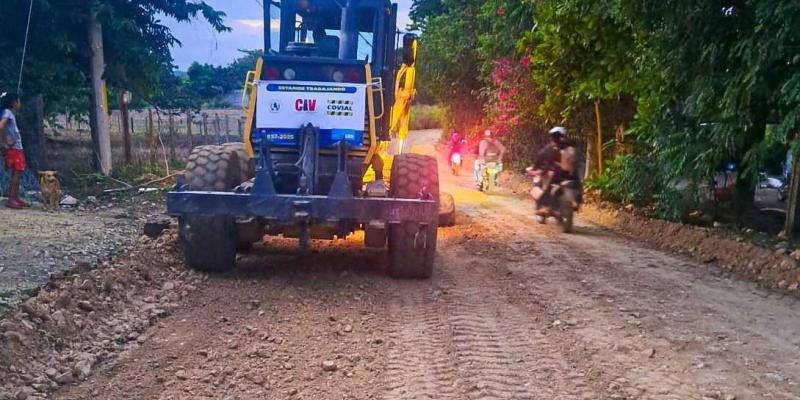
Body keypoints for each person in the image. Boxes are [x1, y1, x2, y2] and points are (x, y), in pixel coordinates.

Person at [529, 126, 568, 214]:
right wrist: (538, 170)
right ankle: (544, 206)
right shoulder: (550, 149)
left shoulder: (565, 148)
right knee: (550, 186)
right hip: (553, 173)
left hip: (562, 174)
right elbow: (543, 160)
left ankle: (548, 206)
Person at [0, 92, 27, 209]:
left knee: (17, 174)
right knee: (16, 173)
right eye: (19, 101)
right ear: (14, 102)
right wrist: (5, 142)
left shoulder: (10, 113)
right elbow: (0, 127)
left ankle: (15, 197)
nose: (20, 103)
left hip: (17, 148)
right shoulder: (7, 113)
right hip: (14, 149)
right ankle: (11, 199)